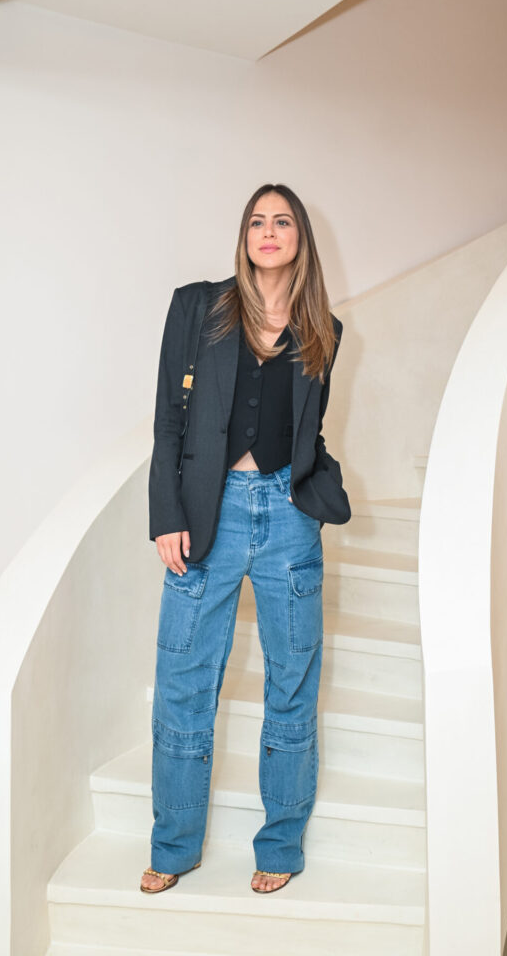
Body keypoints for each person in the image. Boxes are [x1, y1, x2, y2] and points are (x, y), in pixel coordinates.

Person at [141, 183, 351, 897]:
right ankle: (173, 847)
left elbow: (308, 428)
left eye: (282, 221)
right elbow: (169, 419)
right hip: (209, 515)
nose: (268, 231)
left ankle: (281, 845)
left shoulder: (325, 330)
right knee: (183, 686)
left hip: (288, 517)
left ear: (299, 239)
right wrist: (167, 512)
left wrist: (314, 494)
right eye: (257, 220)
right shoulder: (197, 307)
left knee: (292, 687)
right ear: (245, 235)